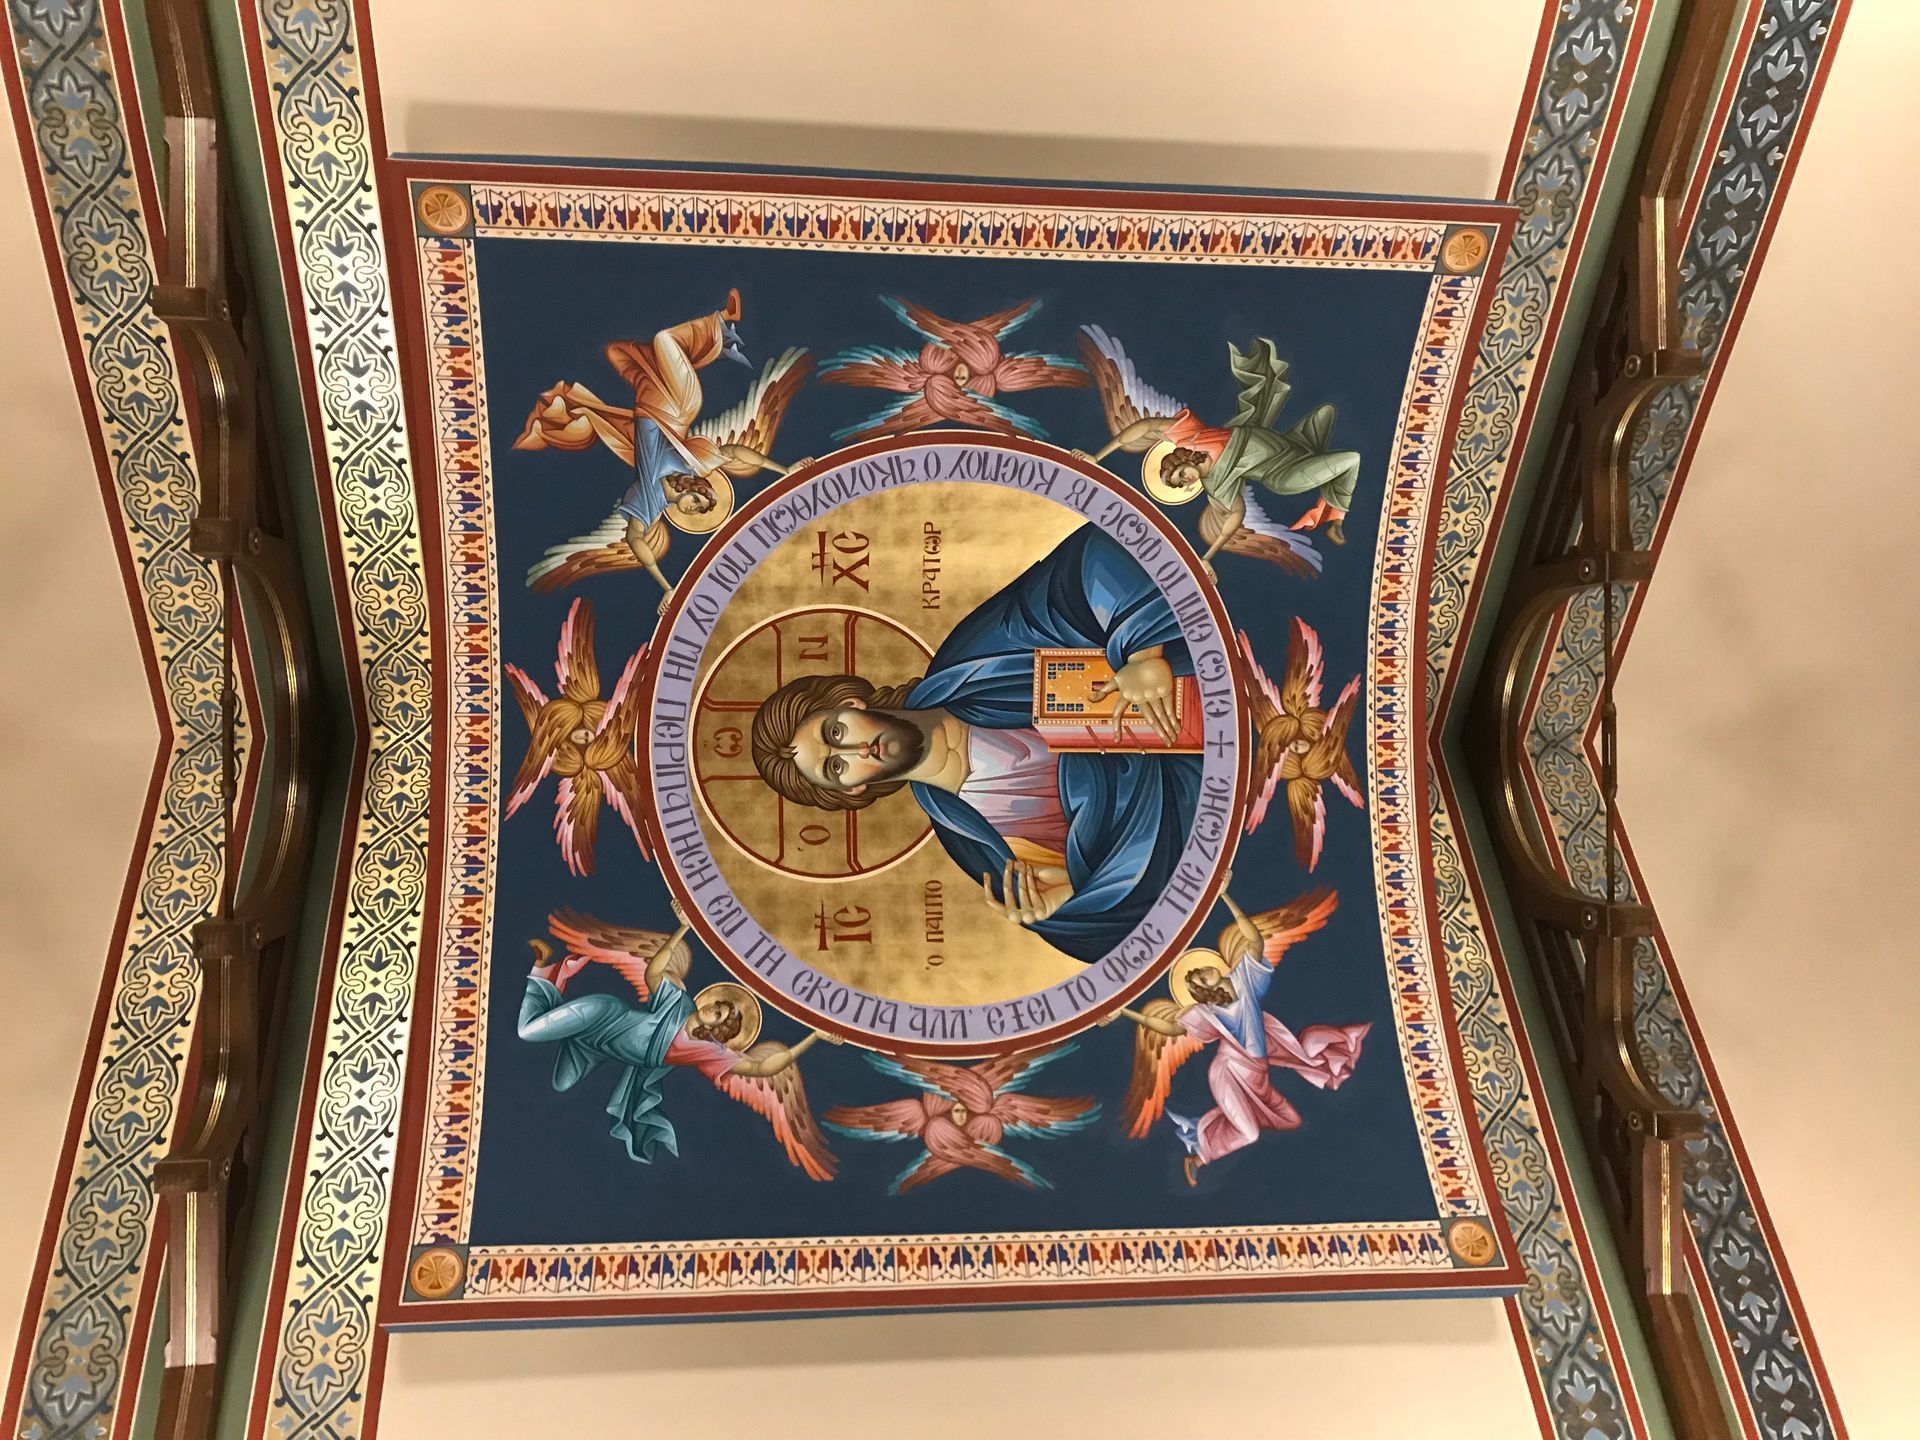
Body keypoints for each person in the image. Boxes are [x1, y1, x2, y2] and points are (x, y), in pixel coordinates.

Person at [750, 524, 1203, 963]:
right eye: (835, 768)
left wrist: (1143, 651)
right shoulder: (977, 842)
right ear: (852, 790)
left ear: (850, 703)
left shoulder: (981, 657)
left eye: (836, 733)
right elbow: (1121, 932)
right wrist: (1075, 896)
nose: (855, 752)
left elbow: (1101, 550)